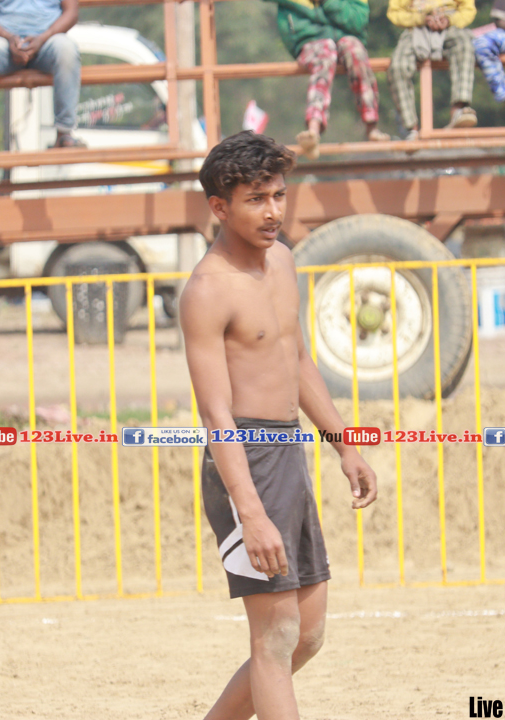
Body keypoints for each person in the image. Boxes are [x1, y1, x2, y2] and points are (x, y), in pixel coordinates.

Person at [180, 131, 377, 720]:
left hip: (289, 452)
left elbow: (297, 360)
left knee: (306, 634)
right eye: (256, 199)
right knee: (275, 636)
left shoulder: (284, 260)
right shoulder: (207, 290)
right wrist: (251, 511)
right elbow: (215, 415)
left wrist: (345, 445)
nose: (273, 212)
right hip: (245, 461)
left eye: (278, 195)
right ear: (220, 207)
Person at [266, 0, 390, 159]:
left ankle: (371, 125)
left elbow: (358, 21)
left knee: (356, 52)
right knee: (326, 51)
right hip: (311, 42)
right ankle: (313, 129)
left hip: (346, 39)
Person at [0, 0, 85, 151]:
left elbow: (71, 13)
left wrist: (43, 38)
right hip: (4, 42)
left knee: (67, 49)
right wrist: (9, 37)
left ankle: (64, 133)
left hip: (48, 40)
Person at [386, 0, 478, 139]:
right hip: (415, 29)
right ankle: (411, 128)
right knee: (398, 65)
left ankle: (459, 110)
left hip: (451, 26)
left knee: (464, 45)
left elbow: (468, 9)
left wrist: (449, 20)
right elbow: (395, 12)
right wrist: (421, 19)